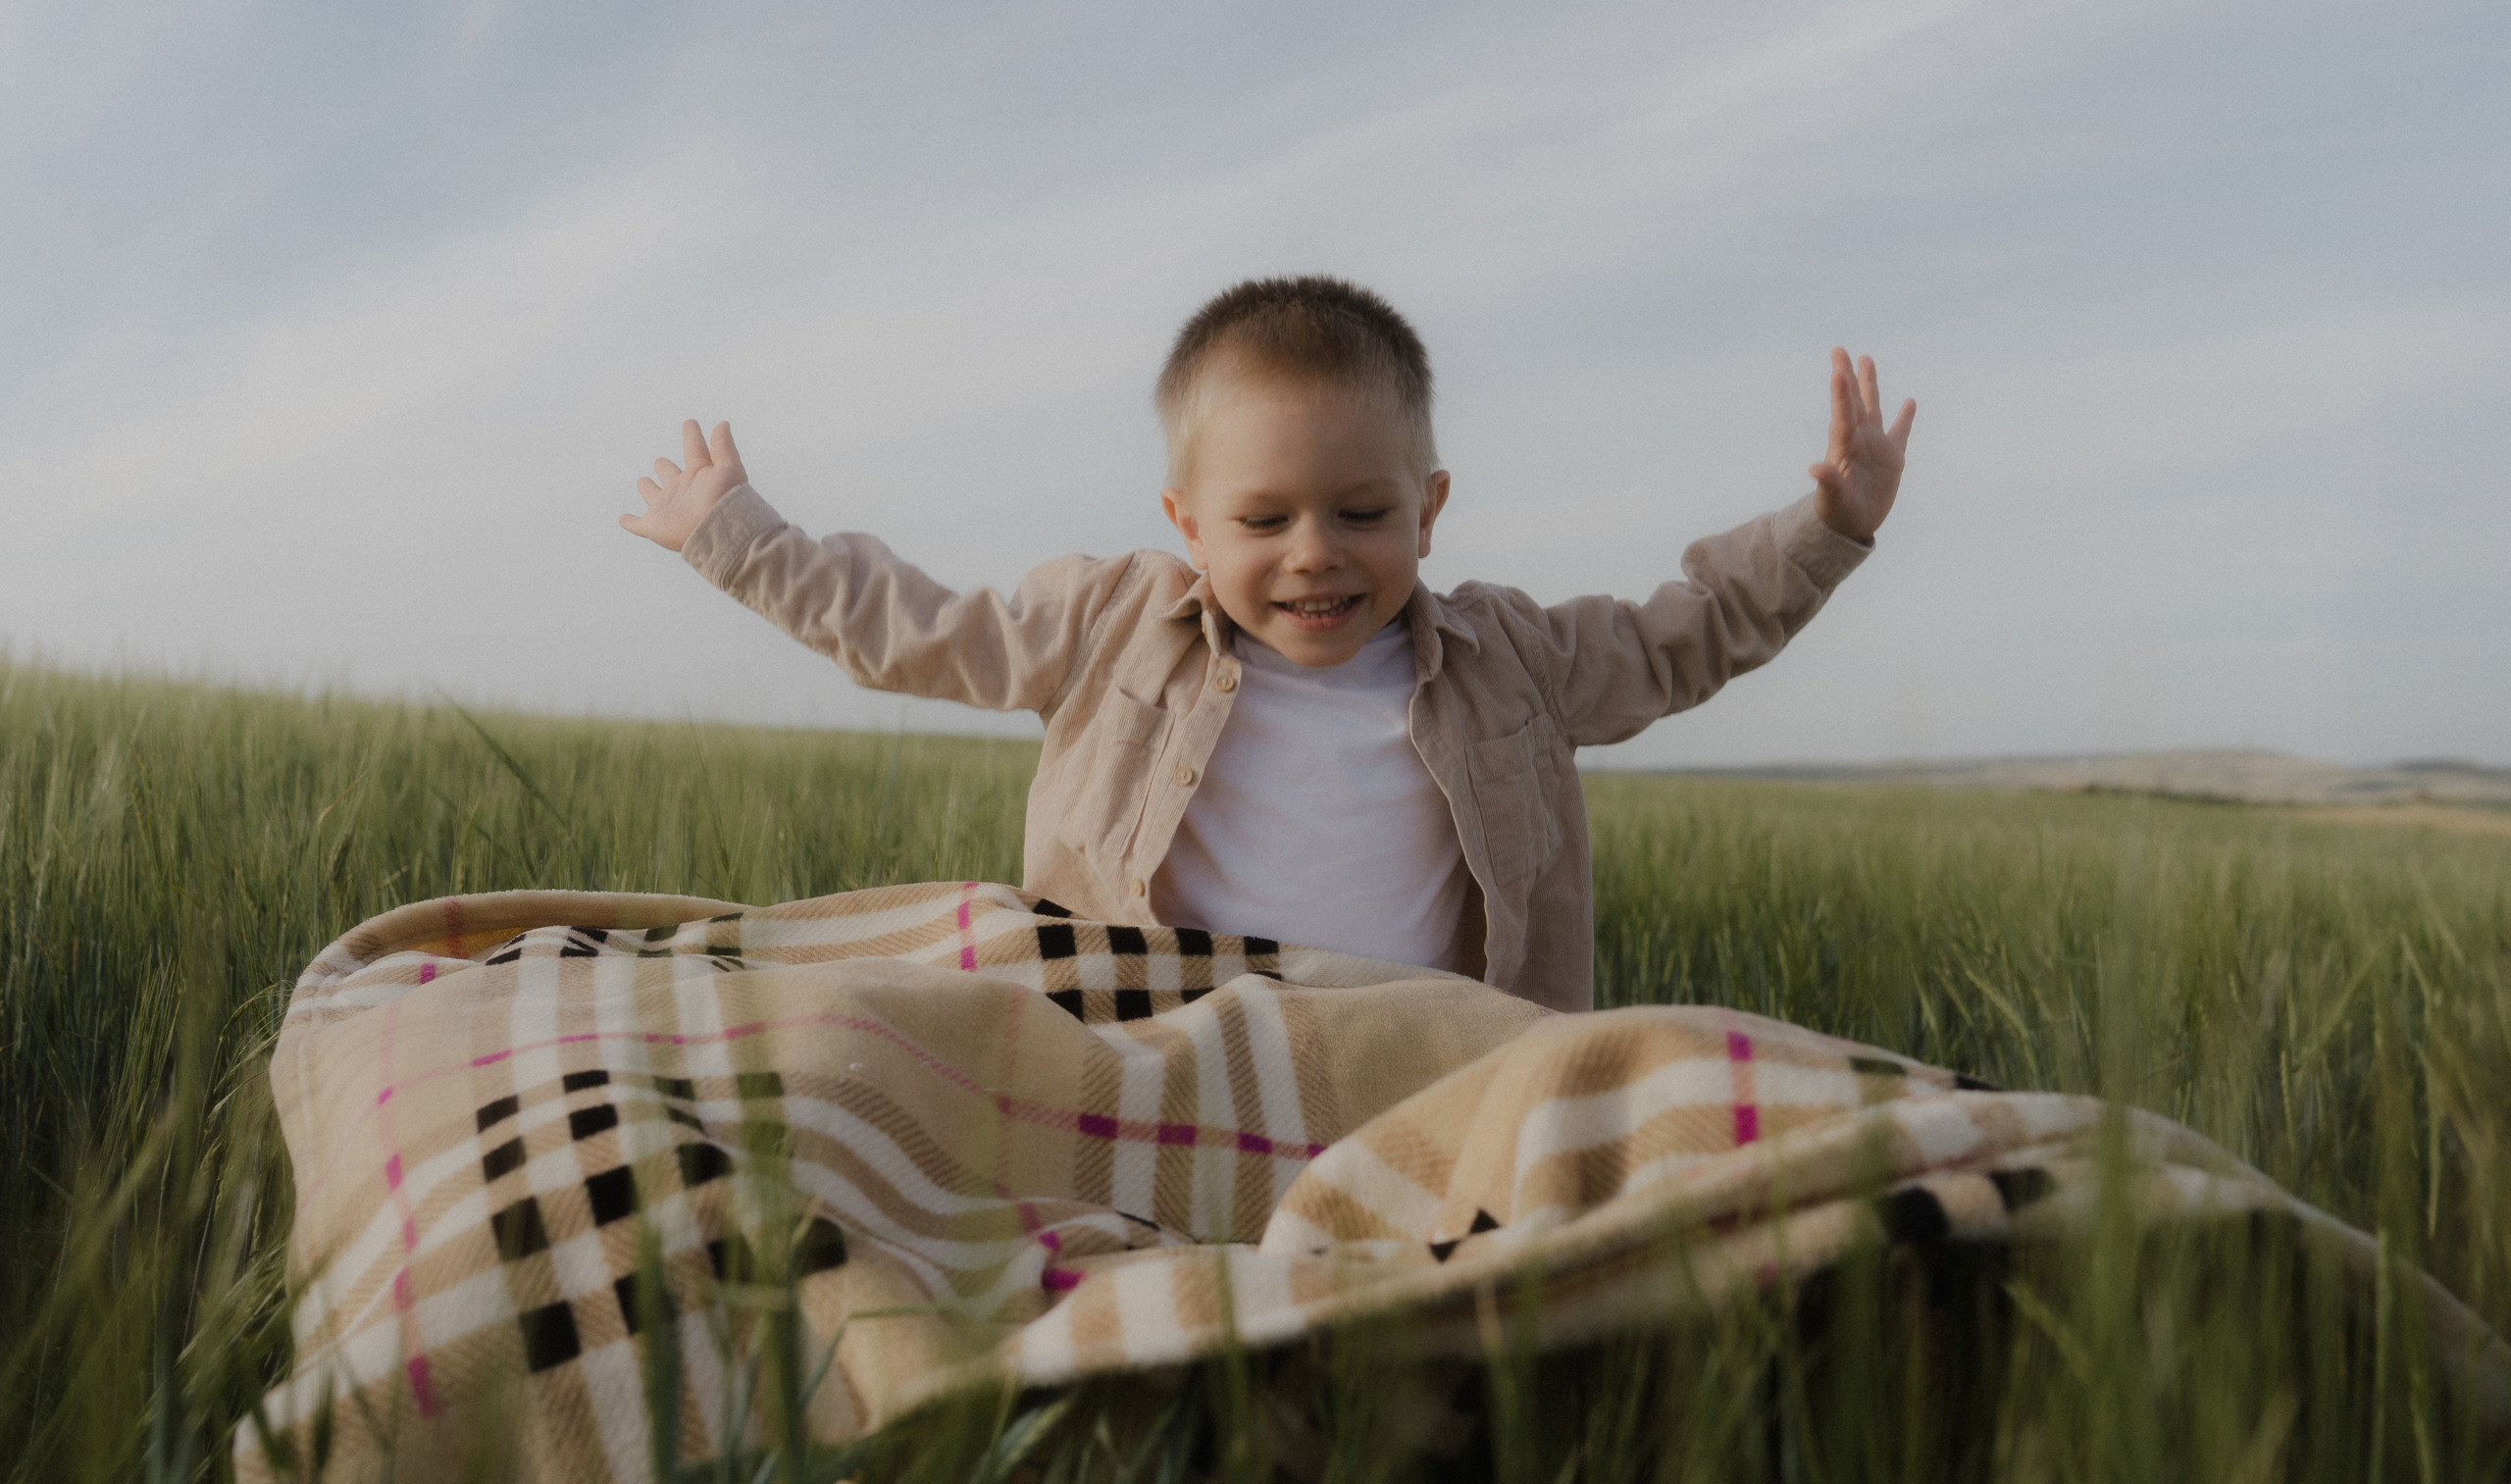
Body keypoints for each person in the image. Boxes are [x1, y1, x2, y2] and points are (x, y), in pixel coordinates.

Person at [621, 277, 1914, 1011]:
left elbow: (1681, 638)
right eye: (1262, 520)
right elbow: (911, 629)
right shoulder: (1111, 624)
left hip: (1430, 1062)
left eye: (1363, 514)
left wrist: (1825, 530)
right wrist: (737, 536)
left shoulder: (1510, 660)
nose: (1313, 553)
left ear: (1431, 508)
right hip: (1158, 1046)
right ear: (1185, 521)